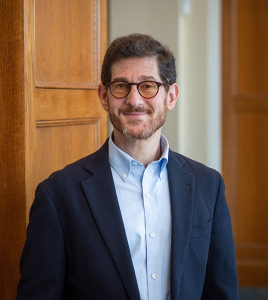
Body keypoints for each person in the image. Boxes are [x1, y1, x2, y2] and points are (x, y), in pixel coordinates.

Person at [17, 33, 238, 300]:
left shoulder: (208, 186)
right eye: (121, 86)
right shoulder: (58, 195)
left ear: (171, 96)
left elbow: (221, 291)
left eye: (148, 86)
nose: (134, 100)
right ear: (104, 96)